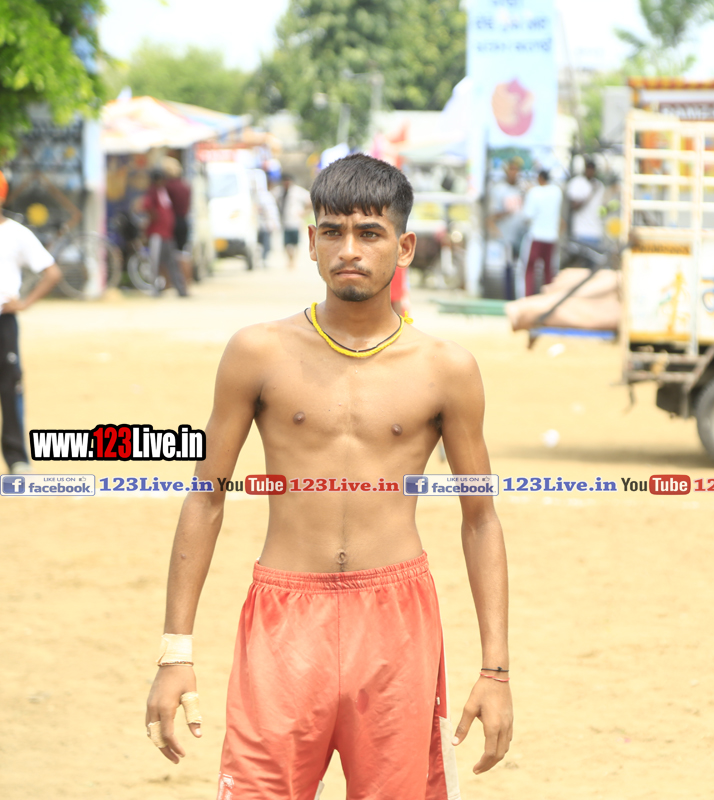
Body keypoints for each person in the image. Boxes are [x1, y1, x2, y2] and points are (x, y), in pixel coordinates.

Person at [143, 154, 513, 797]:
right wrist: (175, 650)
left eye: (370, 233)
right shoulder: (258, 352)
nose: (350, 250)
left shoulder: (446, 369)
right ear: (311, 242)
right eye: (334, 232)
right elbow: (205, 499)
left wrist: (496, 671)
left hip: (397, 620)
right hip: (284, 616)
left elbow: (480, 519)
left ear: (404, 247)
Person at [0, 171, 62, 475]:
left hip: (3, 322)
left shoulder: (16, 234)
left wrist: (23, 303)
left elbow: (52, 273)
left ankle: (17, 458)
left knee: (9, 386)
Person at [139, 170, 188, 296]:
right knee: (155, 263)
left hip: (167, 233)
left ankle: (180, 289)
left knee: (172, 263)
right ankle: (155, 289)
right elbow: (147, 206)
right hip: (157, 233)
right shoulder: (152, 192)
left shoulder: (163, 191)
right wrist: (155, 217)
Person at [520, 169, 563, 296]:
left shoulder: (534, 192)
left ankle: (528, 296)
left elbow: (527, 215)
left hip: (536, 236)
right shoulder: (556, 192)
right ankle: (549, 298)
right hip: (551, 237)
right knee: (548, 271)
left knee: (530, 269)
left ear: (539, 178)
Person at [488, 159, 526, 288]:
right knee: (508, 265)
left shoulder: (522, 189)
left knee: (521, 267)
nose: (514, 173)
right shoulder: (499, 189)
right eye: (511, 169)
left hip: (521, 235)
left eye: (516, 170)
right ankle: (508, 294)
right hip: (506, 236)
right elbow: (493, 214)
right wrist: (508, 212)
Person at [273, 172, 313, 269]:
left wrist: (305, 213)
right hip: (284, 221)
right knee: (286, 243)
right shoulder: (279, 191)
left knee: (295, 243)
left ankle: (293, 260)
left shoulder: (298, 192)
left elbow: (310, 201)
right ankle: (289, 260)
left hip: (295, 221)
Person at [566, 158, 604, 248]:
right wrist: (590, 194)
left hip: (596, 232)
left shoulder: (599, 185)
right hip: (580, 231)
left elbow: (602, 208)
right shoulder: (577, 183)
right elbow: (574, 206)